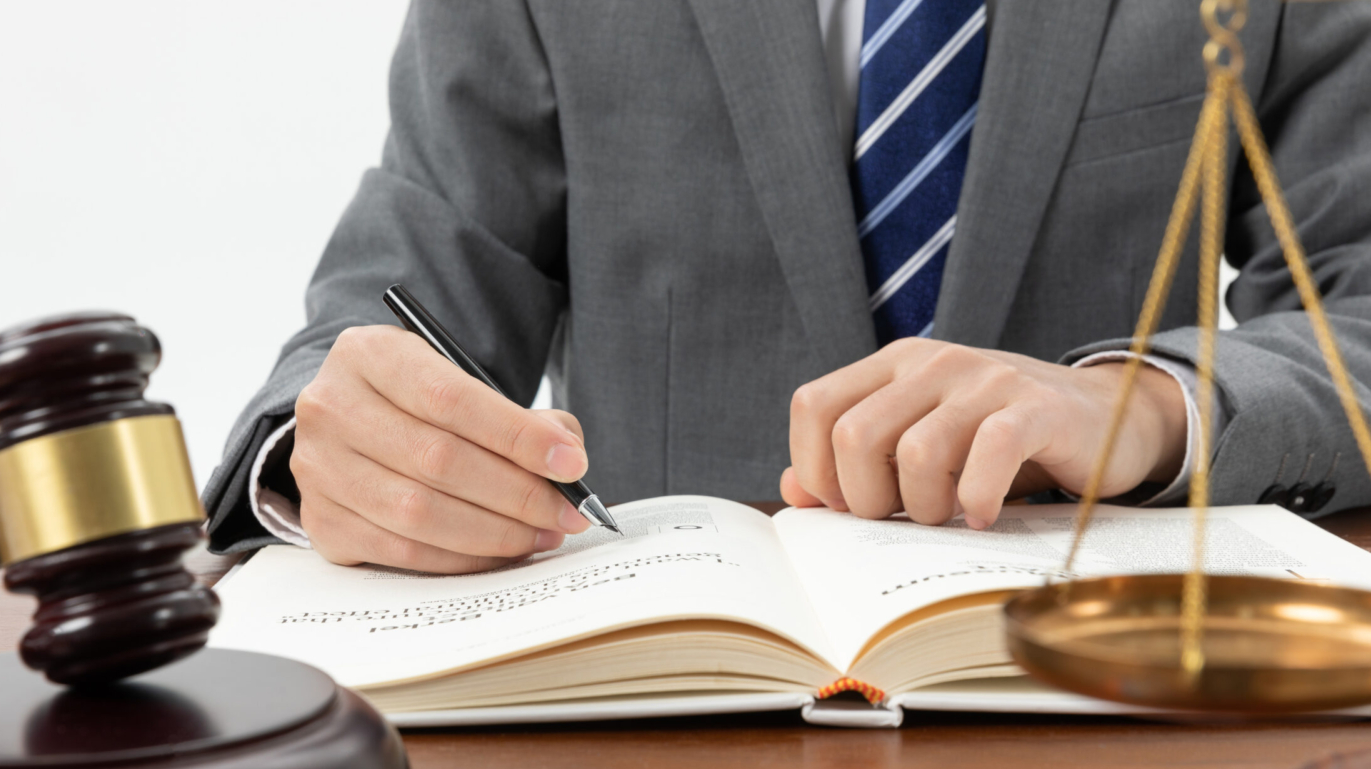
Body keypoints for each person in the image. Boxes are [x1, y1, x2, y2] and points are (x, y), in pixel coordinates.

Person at [201, 0, 1371, 575]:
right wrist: (320, 458)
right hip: (649, 714)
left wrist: (1149, 407)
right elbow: (395, 298)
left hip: (1106, 696)